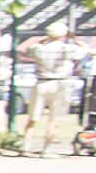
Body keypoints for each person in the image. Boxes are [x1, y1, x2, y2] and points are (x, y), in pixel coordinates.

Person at [17, 22, 86, 154]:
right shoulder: (67, 49)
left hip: (42, 82)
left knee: (33, 117)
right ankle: (47, 148)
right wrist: (75, 39)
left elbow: (27, 49)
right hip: (60, 83)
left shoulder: (39, 49)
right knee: (54, 119)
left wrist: (43, 39)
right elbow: (83, 50)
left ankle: (26, 146)